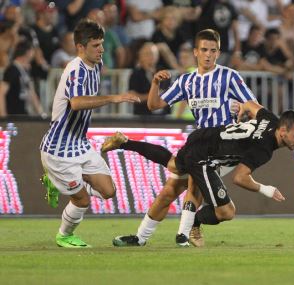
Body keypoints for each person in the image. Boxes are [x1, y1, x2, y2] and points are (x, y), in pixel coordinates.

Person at [103, 29, 258, 247]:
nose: (208, 55)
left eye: (213, 51)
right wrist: (155, 84)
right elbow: (154, 105)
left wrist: (249, 112)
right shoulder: (187, 81)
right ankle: (141, 238)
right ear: (196, 52)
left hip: (222, 147)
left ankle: (184, 234)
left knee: (195, 179)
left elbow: (253, 105)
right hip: (199, 142)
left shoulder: (229, 76)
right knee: (169, 190)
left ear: (218, 53)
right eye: (204, 50)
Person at [105, 103, 294, 247]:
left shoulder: (270, 119)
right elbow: (240, 177)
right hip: (205, 157)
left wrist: (242, 111)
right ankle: (189, 229)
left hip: (202, 136)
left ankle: (125, 142)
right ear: (282, 132)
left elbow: (250, 105)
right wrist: (267, 190)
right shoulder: (263, 149)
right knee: (226, 212)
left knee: (174, 165)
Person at [39, 19, 141, 248]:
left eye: (101, 44)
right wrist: (114, 98)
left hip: (80, 144)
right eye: (95, 45)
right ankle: (64, 235)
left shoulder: (98, 63)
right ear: (80, 48)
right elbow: (76, 103)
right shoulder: (76, 70)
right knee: (82, 200)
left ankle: (56, 182)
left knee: (108, 191)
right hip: (59, 149)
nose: (101, 50)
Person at [0, 40, 44, 117]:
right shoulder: (12, 70)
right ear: (28, 52)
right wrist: (3, 115)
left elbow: (32, 93)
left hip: (23, 115)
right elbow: (1, 93)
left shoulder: (25, 70)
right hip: (13, 115)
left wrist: (41, 114)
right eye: (32, 51)